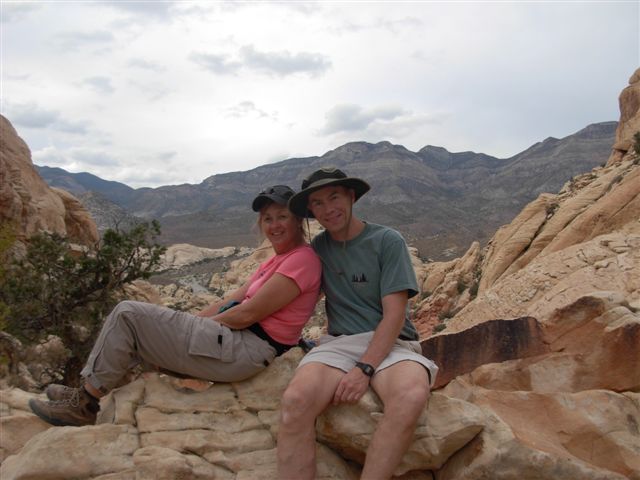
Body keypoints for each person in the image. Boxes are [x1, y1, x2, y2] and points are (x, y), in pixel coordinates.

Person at [29, 185, 322, 427]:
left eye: (282, 216)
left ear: (298, 220)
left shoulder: (302, 260)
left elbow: (248, 313)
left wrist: (193, 327)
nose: (274, 225)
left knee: (128, 313)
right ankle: (87, 392)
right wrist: (182, 322)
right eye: (267, 218)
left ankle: (83, 405)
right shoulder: (276, 260)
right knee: (145, 325)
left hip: (248, 349)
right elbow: (229, 300)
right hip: (236, 343)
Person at [277, 168, 438, 480]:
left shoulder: (386, 241)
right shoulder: (318, 249)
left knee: (411, 396)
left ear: (351, 196)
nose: (328, 208)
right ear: (311, 210)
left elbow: (394, 315)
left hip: (391, 343)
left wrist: (364, 369)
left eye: (334, 197)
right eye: (318, 203)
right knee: (296, 401)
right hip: (340, 343)